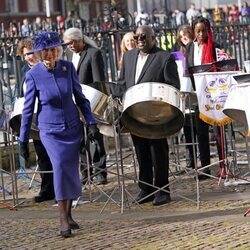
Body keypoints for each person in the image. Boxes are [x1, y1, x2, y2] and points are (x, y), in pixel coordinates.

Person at [19, 31, 98, 238]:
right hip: (50, 131)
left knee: (70, 170)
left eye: (55, 49)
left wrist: (90, 122)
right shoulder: (33, 75)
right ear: (40, 52)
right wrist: (23, 140)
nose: (52, 54)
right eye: (47, 50)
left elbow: (80, 98)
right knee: (61, 166)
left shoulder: (68, 68)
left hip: (72, 127)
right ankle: (62, 217)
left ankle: (69, 213)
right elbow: (28, 110)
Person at [118, 25, 180, 206]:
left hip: (156, 113)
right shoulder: (128, 57)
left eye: (144, 37)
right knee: (140, 151)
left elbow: (173, 85)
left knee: (157, 152)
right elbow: (123, 83)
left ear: (153, 38)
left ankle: (162, 189)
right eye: (137, 37)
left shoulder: (164, 57)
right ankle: (146, 188)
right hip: (135, 113)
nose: (139, 40)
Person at [63, 27, 108, 185]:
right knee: (79, 139)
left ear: (80, 40)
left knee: (94, 136)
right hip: (73, 102)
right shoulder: (68, 54)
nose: (71, 46)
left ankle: (100, 171)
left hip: (90, 101)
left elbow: (98, 81)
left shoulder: (93, 53)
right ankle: (85, 172)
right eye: (68, 44)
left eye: (74, 43)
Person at [185, 16, 225, 179]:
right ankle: (205, 167)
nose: (201, 34)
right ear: (194, 32)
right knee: (201, 133)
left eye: (204, 31)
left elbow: (223, 68)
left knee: (217, 132)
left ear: (208, 31)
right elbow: (187, 71)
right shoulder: (189, 48)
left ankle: (223, 165)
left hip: (214, 96)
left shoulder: (215, 47)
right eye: (198, 31)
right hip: (197, 96)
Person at [16, 38, 55, 203]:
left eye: (31, 53)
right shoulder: (26, 74)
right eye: (26, 55)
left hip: (51, 118)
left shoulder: (48, 68)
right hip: (35, 121)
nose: (29, 57)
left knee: (56, 156)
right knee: (42, 157)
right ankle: (47, 190)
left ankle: (62, 190)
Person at [173, 24, 197, 169]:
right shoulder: (178, 54)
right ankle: (190, 162)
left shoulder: (196, 50)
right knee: (187, 128)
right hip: (185, 92)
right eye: (181, 37)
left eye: (186, 35)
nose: (184, 38)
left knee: (199, 129)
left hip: (196, 92)